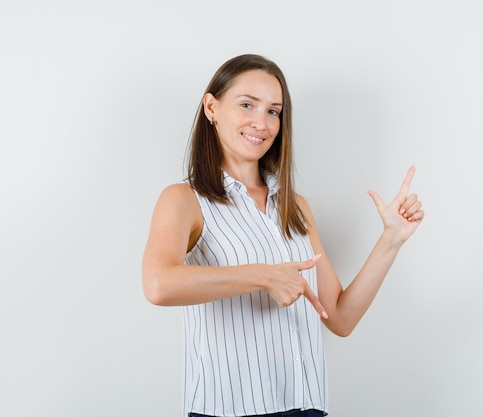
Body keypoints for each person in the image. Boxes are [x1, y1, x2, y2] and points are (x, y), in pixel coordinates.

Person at [142, 54, 424, 417]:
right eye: (247, 105)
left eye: (274, 111)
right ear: (212, 107)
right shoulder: (185, 199)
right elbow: (158, 284)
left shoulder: (296, 207)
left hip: (305, 408)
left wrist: (391, 240)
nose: (261, 123)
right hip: (227, 411)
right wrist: (264, 276)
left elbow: (339, 317)